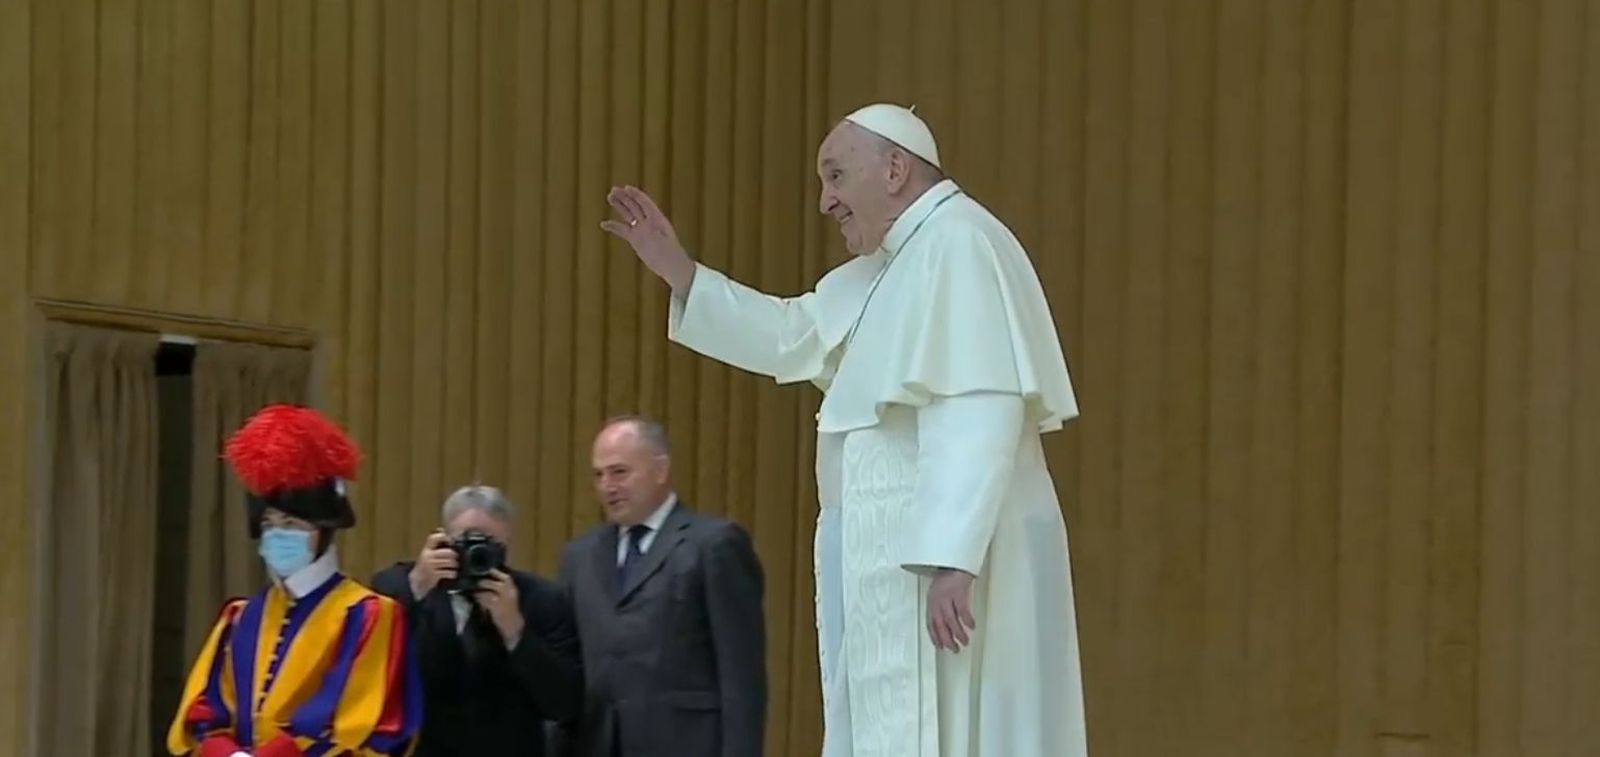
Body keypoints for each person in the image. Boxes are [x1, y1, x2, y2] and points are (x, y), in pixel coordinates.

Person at [599, 103, 1086, 756]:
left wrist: (953, 556)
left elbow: (980, 406)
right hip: (894, 562)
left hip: (955, 563)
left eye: (835, 175)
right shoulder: (884, 269)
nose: (826, 201)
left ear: (894, 168)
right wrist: (679, 271)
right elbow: (792, 335)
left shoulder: (960, 243)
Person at [166, 404, 423, 756]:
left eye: (291, 525)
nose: (277, 535)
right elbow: (205, 708)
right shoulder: (241, 617)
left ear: (323, 531)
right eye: (270, 525)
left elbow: (359, 723)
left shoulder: (367, 614)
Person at [548, 416, 766, 757]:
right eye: (598, 475)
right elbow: (566, 667)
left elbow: (741, 675)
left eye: (619, 472)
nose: (607, 486)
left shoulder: (713, 545)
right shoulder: (580, 556)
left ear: (660, 470)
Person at [369, 485, 584, 757]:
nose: (476, 555)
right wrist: (418, 585)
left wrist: (515, 632)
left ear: (507, 543)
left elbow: (564, 705)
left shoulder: (541, 600)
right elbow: (372, 664)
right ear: (443, 539)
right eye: (467, 543)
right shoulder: (400, 585)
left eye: (489, 545)